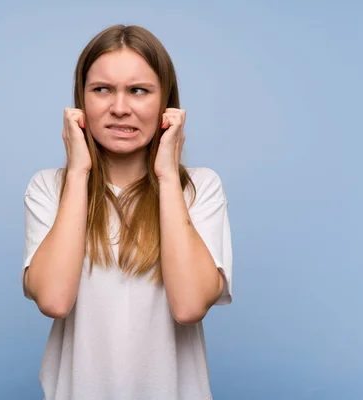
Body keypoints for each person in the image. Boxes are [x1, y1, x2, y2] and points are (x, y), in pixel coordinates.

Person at [22, 24, 233, 400]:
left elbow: (188, 306)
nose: (120, 108)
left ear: (166, 102)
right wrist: (78, 172)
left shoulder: (199, 188)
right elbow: (54, 300)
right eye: (102, 89)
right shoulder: (49, 189)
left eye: (139, 90)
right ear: (80, 102)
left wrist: (167, 175)